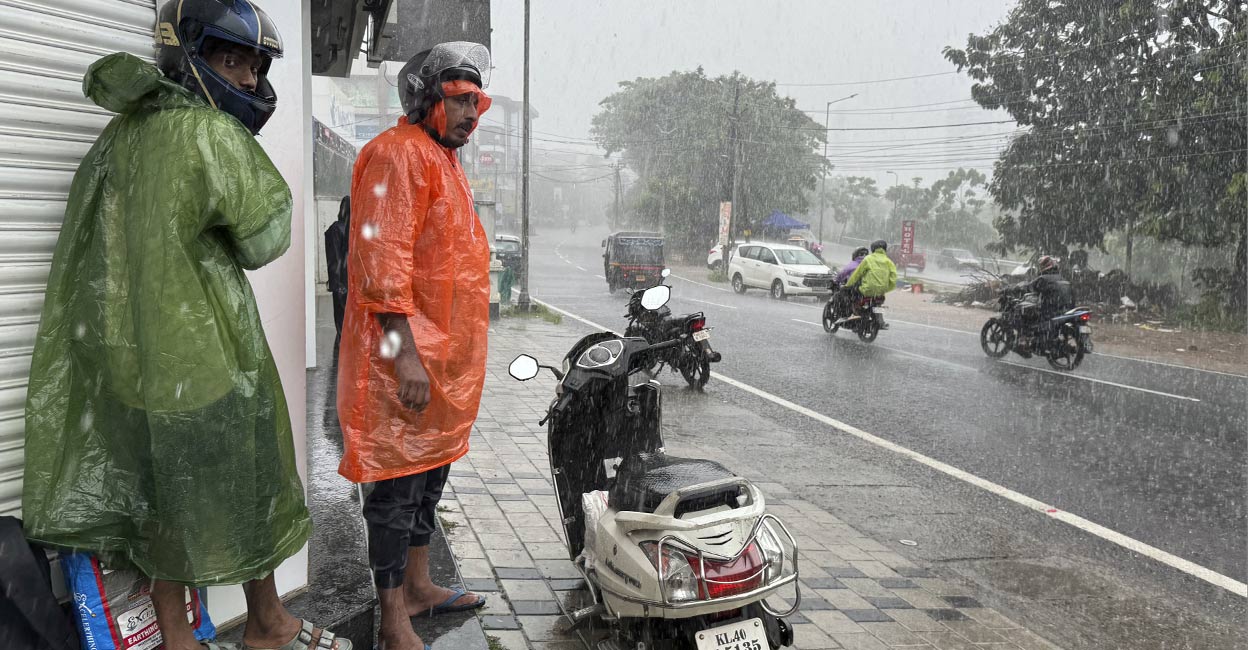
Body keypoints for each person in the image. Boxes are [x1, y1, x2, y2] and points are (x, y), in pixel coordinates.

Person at [21, 2, 350, 649]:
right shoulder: (206, 133)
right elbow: (265, 236)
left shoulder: (119, 136)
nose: (250, 81)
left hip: (130, 364)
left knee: (161, 506)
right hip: (202, 359)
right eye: (234, 61)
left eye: (254, 67)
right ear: (188, 54)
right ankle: (269, 624)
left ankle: (177, 638)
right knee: (248, 491)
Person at [336, 42, 494, 650]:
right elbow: (382, 262)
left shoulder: (442, 160)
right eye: (458, 100)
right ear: (426, 98)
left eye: (474, 102)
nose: (469, 114)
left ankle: (422, 585)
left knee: (428, 478)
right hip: (404, 362)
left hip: (443, 363)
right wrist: (404, 356)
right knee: (396, 492)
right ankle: (391, 616)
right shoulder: (397, 156)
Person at [844, 239, 899, 328]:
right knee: (879, 305)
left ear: (873, 249)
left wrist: (848, 285)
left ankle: (855, 314)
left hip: (867, 289)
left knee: (853, 296)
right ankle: (881, 322)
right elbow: (893, 278)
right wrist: (886, 288)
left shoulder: (868, 259)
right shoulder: (889, 262)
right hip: (880, 291)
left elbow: (857, 274)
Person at [326, 196, 351, 343]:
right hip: (348, 280)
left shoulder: (336, 228)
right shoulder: (350, 229)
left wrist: (336, 284)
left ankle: (343, 343)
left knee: (341, 316)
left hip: (342, 280)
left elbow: (333, 257)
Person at [829, 247, 869, 318]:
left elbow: (842, 274)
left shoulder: (853, 264)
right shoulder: (869, 264)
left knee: (838, 296)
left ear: (855, 255)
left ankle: (843, 314)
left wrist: (836, 281)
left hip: (854, 287)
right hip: (868, 288)